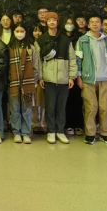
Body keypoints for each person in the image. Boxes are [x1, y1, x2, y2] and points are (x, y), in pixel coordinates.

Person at [34, 12, 76, 144]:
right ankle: (51, 131)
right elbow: (38, 61)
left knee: (61, 107)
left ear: (58, 22)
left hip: (64, 79)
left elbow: (72, 59)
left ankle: (60, 131)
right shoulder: (41, 40)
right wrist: (40, 77)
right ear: (46, 23)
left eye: (54, 20)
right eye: (49, 20)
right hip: (48, 79)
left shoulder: (66, 40)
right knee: (50, 107)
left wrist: (71, 77)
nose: (52, 22)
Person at [75, 14, 107, 145]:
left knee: (104, 107)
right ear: (88, 25)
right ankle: (90, 133)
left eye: (97, 22)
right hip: (88, 79)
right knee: (91, 107)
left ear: (101, 25)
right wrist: (79, 77)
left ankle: (105, 133)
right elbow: (78, 60)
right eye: (92, 22)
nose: (95, 24)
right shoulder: (82, 40)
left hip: (104, 78)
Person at [7, 24, 37, 144]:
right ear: (13, 32)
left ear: (26, 32)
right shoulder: (9, 47)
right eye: (17, 31)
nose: (19, 33)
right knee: (15, 108)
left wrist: (35, 81)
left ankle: (26, 133)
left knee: (27, 109)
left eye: (22, 30)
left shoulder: (31, 47)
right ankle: (16, 132)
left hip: (28, 83)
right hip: (13, 83)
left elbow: (36, 65)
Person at [63, 16, 84, 136]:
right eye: (67, 23)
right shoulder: (61, 38)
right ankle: (68, 125)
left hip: (77, 72)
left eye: (71, 23)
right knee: (66, 101)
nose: (69, 25)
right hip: (64, 72)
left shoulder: (79, 38)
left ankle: (78, 124)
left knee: (77, 100)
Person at [31, 23, 46, 134]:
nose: (37, 33)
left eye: (39, 31)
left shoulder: (45, 43)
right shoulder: (29, 44)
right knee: (33, 101)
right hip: (31, 76)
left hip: (43, 76)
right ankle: (35, 123)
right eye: (35, 30)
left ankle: (43, 123)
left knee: (43, 101)